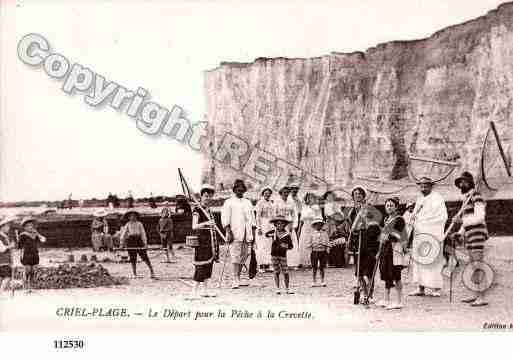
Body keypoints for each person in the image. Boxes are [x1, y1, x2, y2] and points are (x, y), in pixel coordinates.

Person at [452, 171, 489, 307]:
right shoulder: (466, 198)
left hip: (477, 233)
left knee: (477, 264)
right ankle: (475, 294)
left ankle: (481, 297)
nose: (462, 184)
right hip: (469, 233)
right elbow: (467, 220)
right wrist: (460, 232)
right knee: (472, 264)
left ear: (470, 183)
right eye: (460, 182)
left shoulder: (476, 196)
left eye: (464, 181)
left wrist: (460, 220)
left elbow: (480, 217)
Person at [409, 177, 448, 297]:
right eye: (421, 186)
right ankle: (420, 287)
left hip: (432, 233)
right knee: (420, 261)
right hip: (420, 234)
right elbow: (415, 215)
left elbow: (442, 216)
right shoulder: (420, 199)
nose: (423, 188)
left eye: (426, 185)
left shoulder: (437, 199)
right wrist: (414, 220)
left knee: (433, 261)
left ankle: (436, 288)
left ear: (431, 186)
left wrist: (424, 222)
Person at [347, 186, 381, 304]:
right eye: (355, 194)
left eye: (360, 193)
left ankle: (370, 294)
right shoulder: (352, 212)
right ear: (353, 197)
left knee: (369, 271)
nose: (358, 195)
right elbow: (351, 229)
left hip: (370, 243)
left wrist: (366, 225)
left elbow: (376, 224)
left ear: (363, 195)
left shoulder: (370, 208)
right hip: (358, 243)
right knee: (359, 272)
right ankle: (364, 293)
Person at [221, 179, 256, 289]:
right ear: (234, 190)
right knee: (235, 255)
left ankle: (239, 277)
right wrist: (228, 231)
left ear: (244, 190)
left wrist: (253, 233)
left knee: (244, 256)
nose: (240, 191)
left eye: (242, 189)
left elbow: (252, 218)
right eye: (238, 189)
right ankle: (235, 278)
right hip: (235, 232)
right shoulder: (229, 202)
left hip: (247, 232)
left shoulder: (248, 202)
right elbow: (225, 218)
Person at [377, 197, 407, 310]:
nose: (389, 207)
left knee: (396, 274)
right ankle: (386, 299)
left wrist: (389, 235)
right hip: (386, 249)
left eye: (391, 205)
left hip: (395, 248)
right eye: (387, 205)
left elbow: (401, 235)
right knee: (386, 273)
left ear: (396, 207)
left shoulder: (399, 219)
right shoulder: (386, 219)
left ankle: (399, 301)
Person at [190, 184, 218, 298]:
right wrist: (207, 223)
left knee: (208, 266)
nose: (208, 199)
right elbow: (194, 226)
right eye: (206, 196)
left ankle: (205, 291)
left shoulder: (209, 210)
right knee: (200, 266)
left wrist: (212, 225)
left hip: (210, 241)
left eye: (210, 196)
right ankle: (193, 292)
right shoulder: (197, 210)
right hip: (202, 240)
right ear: (201, 196)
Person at [119, 210, 156, 279]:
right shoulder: (128, 224)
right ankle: (134, 273)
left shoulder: (139, 224)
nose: (133, 217)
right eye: (131, 216)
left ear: (136, 217)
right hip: (131, 241)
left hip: (138, 240)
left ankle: (152, 271)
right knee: (133, 258)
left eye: (134, 216)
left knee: (144, 256)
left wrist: (145, 243)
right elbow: (123, 234)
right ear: (128, 217)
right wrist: (121, 243)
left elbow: (143, 234)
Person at [266, 214, 294, 294]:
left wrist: (285, 246)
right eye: (278, 224)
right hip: (274, 254)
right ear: (275, 225)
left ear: (284, 225)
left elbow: (291, 246)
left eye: (281, 224)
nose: (279, 225)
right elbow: (266, 234)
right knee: (276, 271)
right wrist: (271, 234)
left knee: (285, 272)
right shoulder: (273, 232)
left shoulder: (287, 235)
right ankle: (277, 288)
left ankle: (287, 288)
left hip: (283, 255)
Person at [273, 186, 300, 269]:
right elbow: (274, 214)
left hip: (289, 224)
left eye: (287, 192)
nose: (286, 194)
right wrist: (277, 224)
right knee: (280, 242)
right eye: (284, 192)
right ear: (281, 193)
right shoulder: (277, 202)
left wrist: (294, 225)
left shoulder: (291, 202)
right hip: (280, 224)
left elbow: (295, 214)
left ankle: (292, 263)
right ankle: (281, 263)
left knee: (291, 242)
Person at [18, 218, 46, 293]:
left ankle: (31, 287)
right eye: (28, 226)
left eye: (31, 226)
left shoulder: (35, 235)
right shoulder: (22, 235)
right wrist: (20, 256)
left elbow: (43, 240)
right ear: (24, 227)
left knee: (33, 271)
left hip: (35, 254)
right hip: (26, 255)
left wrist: (38, 234)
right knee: (27, 270)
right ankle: (25, 287)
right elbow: (20, 247)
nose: (30, 227)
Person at [299, 192, 322, 268]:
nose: (310, 199)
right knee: (304, 243)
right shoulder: (304, 207)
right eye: (308, 198)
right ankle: (305, 262)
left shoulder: (316, 208)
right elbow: (301, 220)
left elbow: (319, 218)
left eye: (311, 198)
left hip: (313, 227)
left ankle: (314, 261)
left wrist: (317, 228)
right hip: (305, 227)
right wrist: (299, 229)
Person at [254, 186, 274, 273]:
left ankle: (268, 264)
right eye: (266, 193)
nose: (267, 195)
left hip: (269, 225)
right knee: (261, 245)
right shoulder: (260, 203)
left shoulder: (271, 203)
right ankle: (261, 266)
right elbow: (257, 216)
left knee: (269, 245)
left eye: (269, 193)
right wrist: (259, 228)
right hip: (262, 224)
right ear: (263, 194)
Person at [305, 217, 330, 287]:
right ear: (314, 225)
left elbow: (327, 242)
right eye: (317, 225)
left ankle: (322, 280)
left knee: (322, 267)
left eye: (320, 225)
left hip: (323, 251)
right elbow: (308, 244)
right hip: (314, 251)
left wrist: (327, 250)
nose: (318, 226)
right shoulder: (311, 234)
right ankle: (314, 280)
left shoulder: (325, 234)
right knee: (314, 267)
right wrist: (310, 250)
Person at [0, 216, 15, 297]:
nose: (9, 227)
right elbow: (1, 249)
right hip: (2, 261)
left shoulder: (6, 236)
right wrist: (10, 246)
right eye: (7, 226)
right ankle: (1, 292)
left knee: (2, 277)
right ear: (2, 227)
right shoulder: (0, 236)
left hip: (6, 260)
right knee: (7, 277)